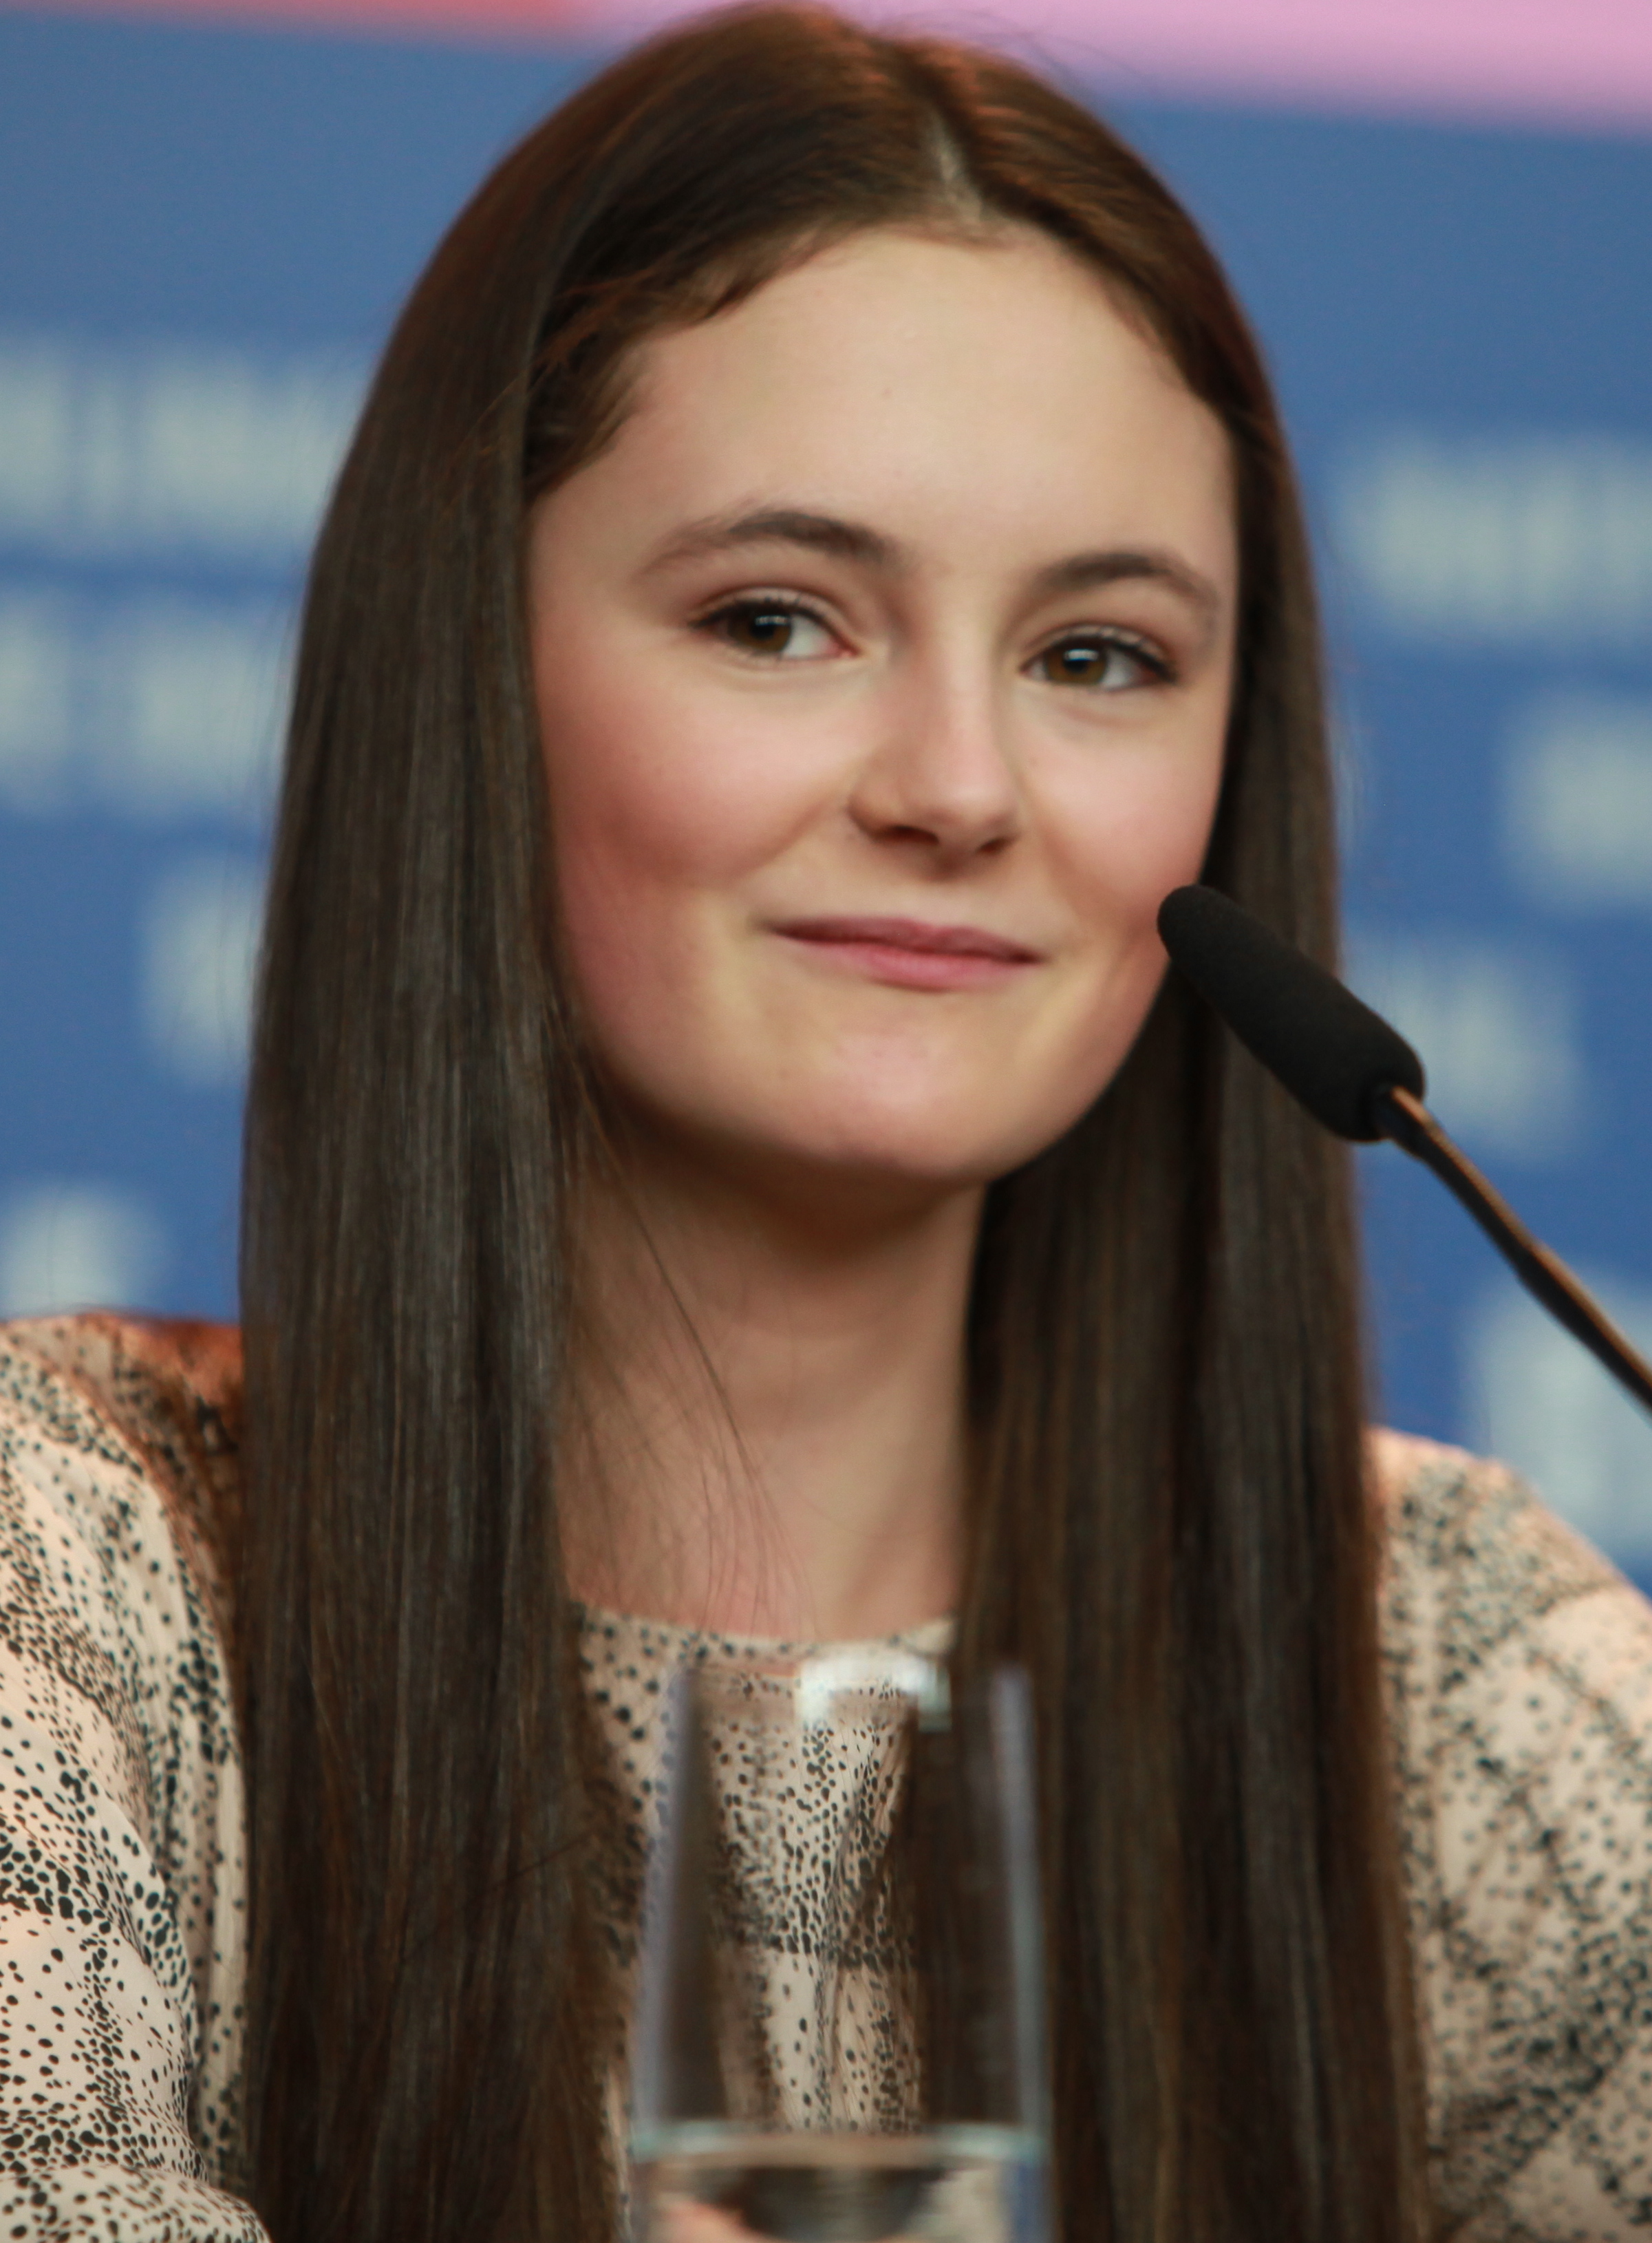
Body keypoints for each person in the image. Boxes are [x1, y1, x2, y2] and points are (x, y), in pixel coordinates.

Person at [3, 8, 1652, 2240]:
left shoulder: (1437, 1667)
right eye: (778, 619)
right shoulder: (72, 1583)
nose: (958, 790)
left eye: (1096, 658)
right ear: (467, 678)